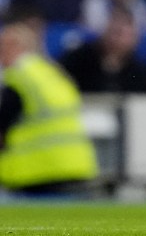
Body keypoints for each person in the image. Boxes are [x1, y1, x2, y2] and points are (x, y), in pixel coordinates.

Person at [0, 20, 99, 195]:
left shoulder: (19, 78)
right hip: (75, 163)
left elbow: (3, 121)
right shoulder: (52, 72)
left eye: (4, 45)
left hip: (38, 169)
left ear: (16, 46)